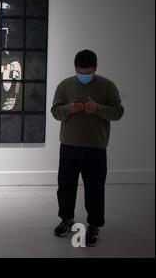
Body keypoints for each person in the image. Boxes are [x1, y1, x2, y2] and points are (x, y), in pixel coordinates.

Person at [51, 49, 124, 246]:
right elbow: (55, 112)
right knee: (65, 187)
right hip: (69, 146)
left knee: (95, 189)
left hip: (95, 147)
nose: (84, 76)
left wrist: (97, 109)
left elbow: (118, 112)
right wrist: (69, 109)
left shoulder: (107, 86)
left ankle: (94, 226)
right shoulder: (65, 86)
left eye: (88, 72)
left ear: (95, 68)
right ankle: (67, 220)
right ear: (75, 68)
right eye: (81, 72)